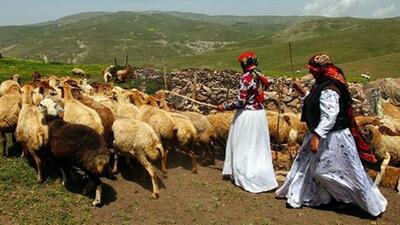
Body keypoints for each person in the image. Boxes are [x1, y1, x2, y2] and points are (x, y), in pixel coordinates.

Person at [276, 54, 387, 216]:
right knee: (312, 168)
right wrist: (303, 93)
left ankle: (362, 203)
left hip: (334, 137)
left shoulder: (330, 88)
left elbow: (330, 115)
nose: (311, 73)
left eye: (313, 70)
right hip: (323, 134)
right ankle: (325, 197)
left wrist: (317, 135)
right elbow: (317, 103)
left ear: (321, 70)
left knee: (332, 171)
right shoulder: (322, 83)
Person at [217, 51, 278, 193]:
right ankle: (262, 174)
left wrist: (224, 106)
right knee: (257, 145)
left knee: (244, 144)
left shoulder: (246, 78)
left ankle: (246, 174)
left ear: (243, 65)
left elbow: (240, 101)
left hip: (247, 116)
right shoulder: (260, 76)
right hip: (259, 115)